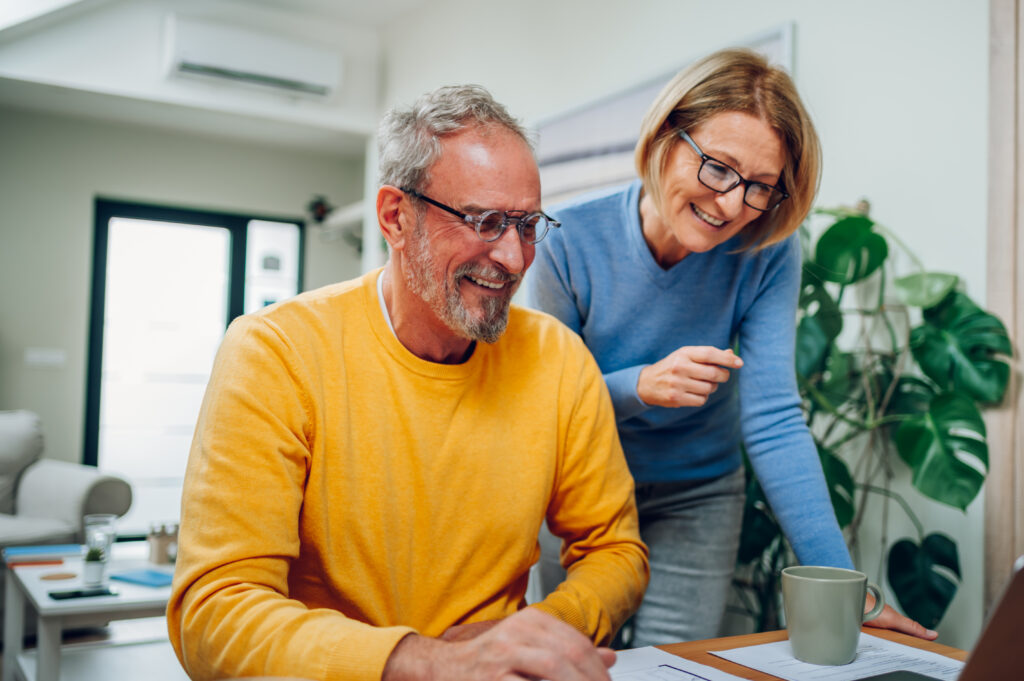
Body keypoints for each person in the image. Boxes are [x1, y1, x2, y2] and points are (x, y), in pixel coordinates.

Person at [167, 84, 649, 681]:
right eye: (486, 221)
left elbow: (616, 552)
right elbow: (215, 613)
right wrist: (426, 663)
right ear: (396, 217)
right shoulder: (275, 352)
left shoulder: (560, 360)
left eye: (527, 225)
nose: (516, 258)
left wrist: (535, 634)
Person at [524, 48, 937, 646]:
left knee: (676, 665)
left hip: (701, 493)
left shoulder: (767, 250)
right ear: (667, 136)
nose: (731, 204)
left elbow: (773, 418)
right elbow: (550, 410)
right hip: (584, 491)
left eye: (761, 187)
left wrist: (845, 584)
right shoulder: (568, 242)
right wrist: (640, 386)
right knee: (574, 659)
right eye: (718, 168)